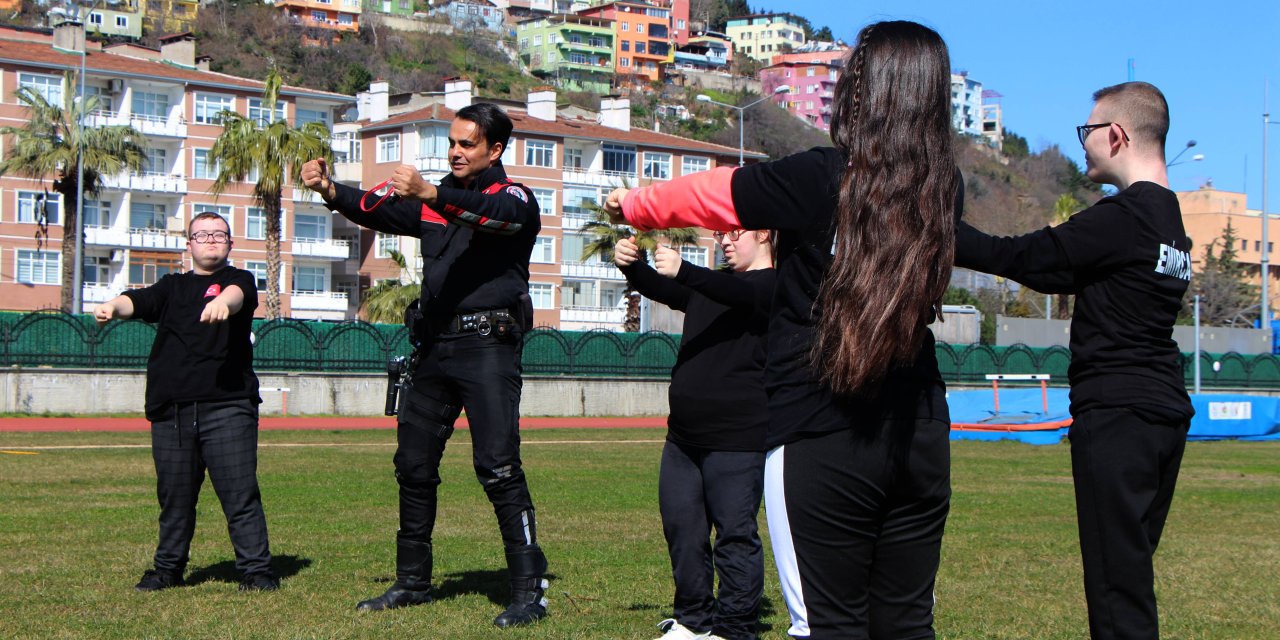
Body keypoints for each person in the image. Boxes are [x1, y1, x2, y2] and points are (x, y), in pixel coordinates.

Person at [606, 21, 959, 640]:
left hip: (822, 426)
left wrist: (636, 205)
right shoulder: (943, 189)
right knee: (906, 625)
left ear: (859, 93)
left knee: (824, 624)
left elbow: (716, 194)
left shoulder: (822, 177)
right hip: (922, 430)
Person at [955, 81, 1193, 640]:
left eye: (1087, 132)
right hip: (1162, 415)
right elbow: (1059, 270)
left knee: (1117, 589)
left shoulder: (1123, 218)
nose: (1082, 145)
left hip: (1119, 414)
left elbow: (1020, 257)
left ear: (1116, 135)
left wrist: (928, 227)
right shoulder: (1170, 224)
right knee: (1129, 574)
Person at [299, 102, 548, 627]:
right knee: (412, 465)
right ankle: (412, 581)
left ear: (495, 149)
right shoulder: (435, 197)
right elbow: (377, 208)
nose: (455, 152)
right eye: (452, 143)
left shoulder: (514, 197)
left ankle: (529, 590)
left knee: (497, 468)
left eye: (467, 144)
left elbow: (494, 218)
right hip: (434, 346)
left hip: (487, 346)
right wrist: (328, 189)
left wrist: (433, 193)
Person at [94, 211, 278, 593]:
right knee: (174, 497)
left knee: (239, 494)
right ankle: (167, 570)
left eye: (219, 235)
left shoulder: (238, 279)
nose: (211, 240)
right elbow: (138, 301)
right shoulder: (172, 287)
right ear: (189, 243)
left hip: (227, 406)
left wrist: (224, 305)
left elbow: (237, 296)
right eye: (202, 234)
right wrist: (114, 305)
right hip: (172, 409)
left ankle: (257, 572)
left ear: (229, 243)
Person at [613, 231, 775, 640]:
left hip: (736, 439)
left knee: (735, 537)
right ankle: (693, 621)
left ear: (765, 233)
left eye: (734, 232)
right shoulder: (715, 286)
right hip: (683, 438)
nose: (724, 240)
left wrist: (685, 269)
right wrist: (631, 264)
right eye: (720, 233)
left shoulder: (772, 286)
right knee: (683, 531)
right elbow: (664, 288)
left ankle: (735, 629)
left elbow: (727, 289)